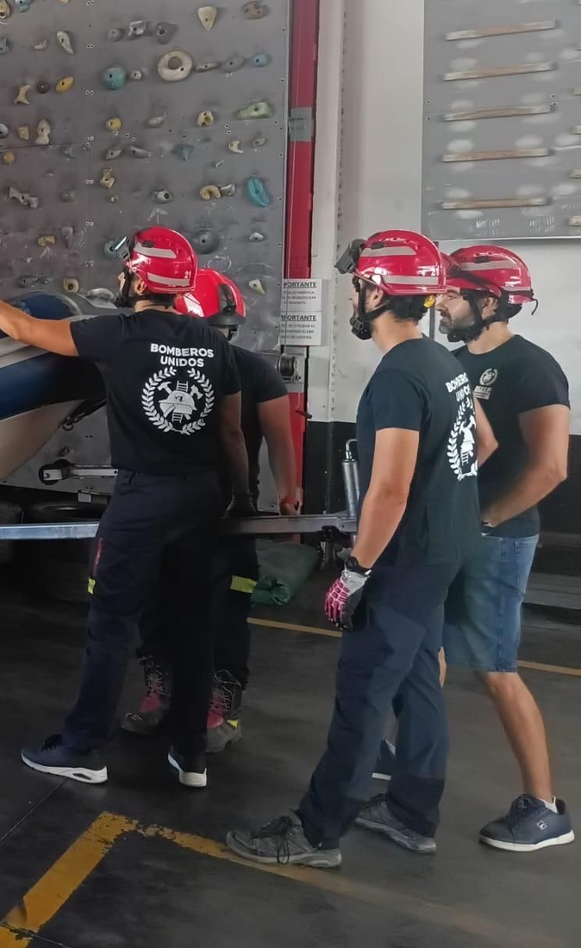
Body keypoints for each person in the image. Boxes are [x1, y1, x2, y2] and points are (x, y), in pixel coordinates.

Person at [228, 229, 490, 868]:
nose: (352, 296)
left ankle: (316, 833)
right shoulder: (442, 362)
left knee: (364, 692)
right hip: (443, 548)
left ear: (378, 293)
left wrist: (356, 569)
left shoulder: (399, 376)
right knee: (419, 681)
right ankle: (411, 813)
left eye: (358, 286)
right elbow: (482, 444)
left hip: (402, 559)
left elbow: (391, 489)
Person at [0, 228, 248, 789]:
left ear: (141, 281)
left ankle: (82, 748)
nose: (121, 279)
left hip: (143, 498)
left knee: (112, 625)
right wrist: (240, 499)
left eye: (127, 272)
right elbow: (230, 432)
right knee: (193, 627)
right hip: (203, 496)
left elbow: (26, 329)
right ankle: (191, 755)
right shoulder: (214, 344)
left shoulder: (117, 334)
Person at [122, 268, 301, 752]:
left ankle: (222, 705)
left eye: (227, 330)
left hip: (229, 514)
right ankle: (162, 690)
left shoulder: (255, 371)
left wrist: (289, 498)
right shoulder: (159, 365)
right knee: (158, 602)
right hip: (168, 508)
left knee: (227, 611)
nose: (220, 339)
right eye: (213, 329)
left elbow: (280, 440)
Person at [437, 244, 573, 852]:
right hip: (453, 532)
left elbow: (550, 468)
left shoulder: (532, 367)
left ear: (489, 302)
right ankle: (407, 755)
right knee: (429, 649)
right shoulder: (451, 362)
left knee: (496, 670)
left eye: (453, 294)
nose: (440, 304)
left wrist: (486, 519)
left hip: (498, 538)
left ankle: (544, 808)